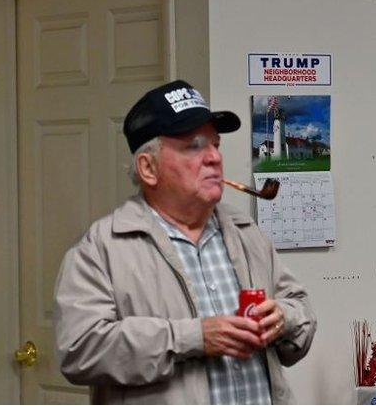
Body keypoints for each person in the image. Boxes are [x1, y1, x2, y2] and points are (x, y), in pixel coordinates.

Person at [54, 80, 316, 404]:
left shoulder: (247, 233)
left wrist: (284, 319)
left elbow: (300, 311)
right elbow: (80, 351)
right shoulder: (101, 249)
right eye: (194, 146)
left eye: (215, 145)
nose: (214, 158)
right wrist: (193, 337)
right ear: (148, 168)